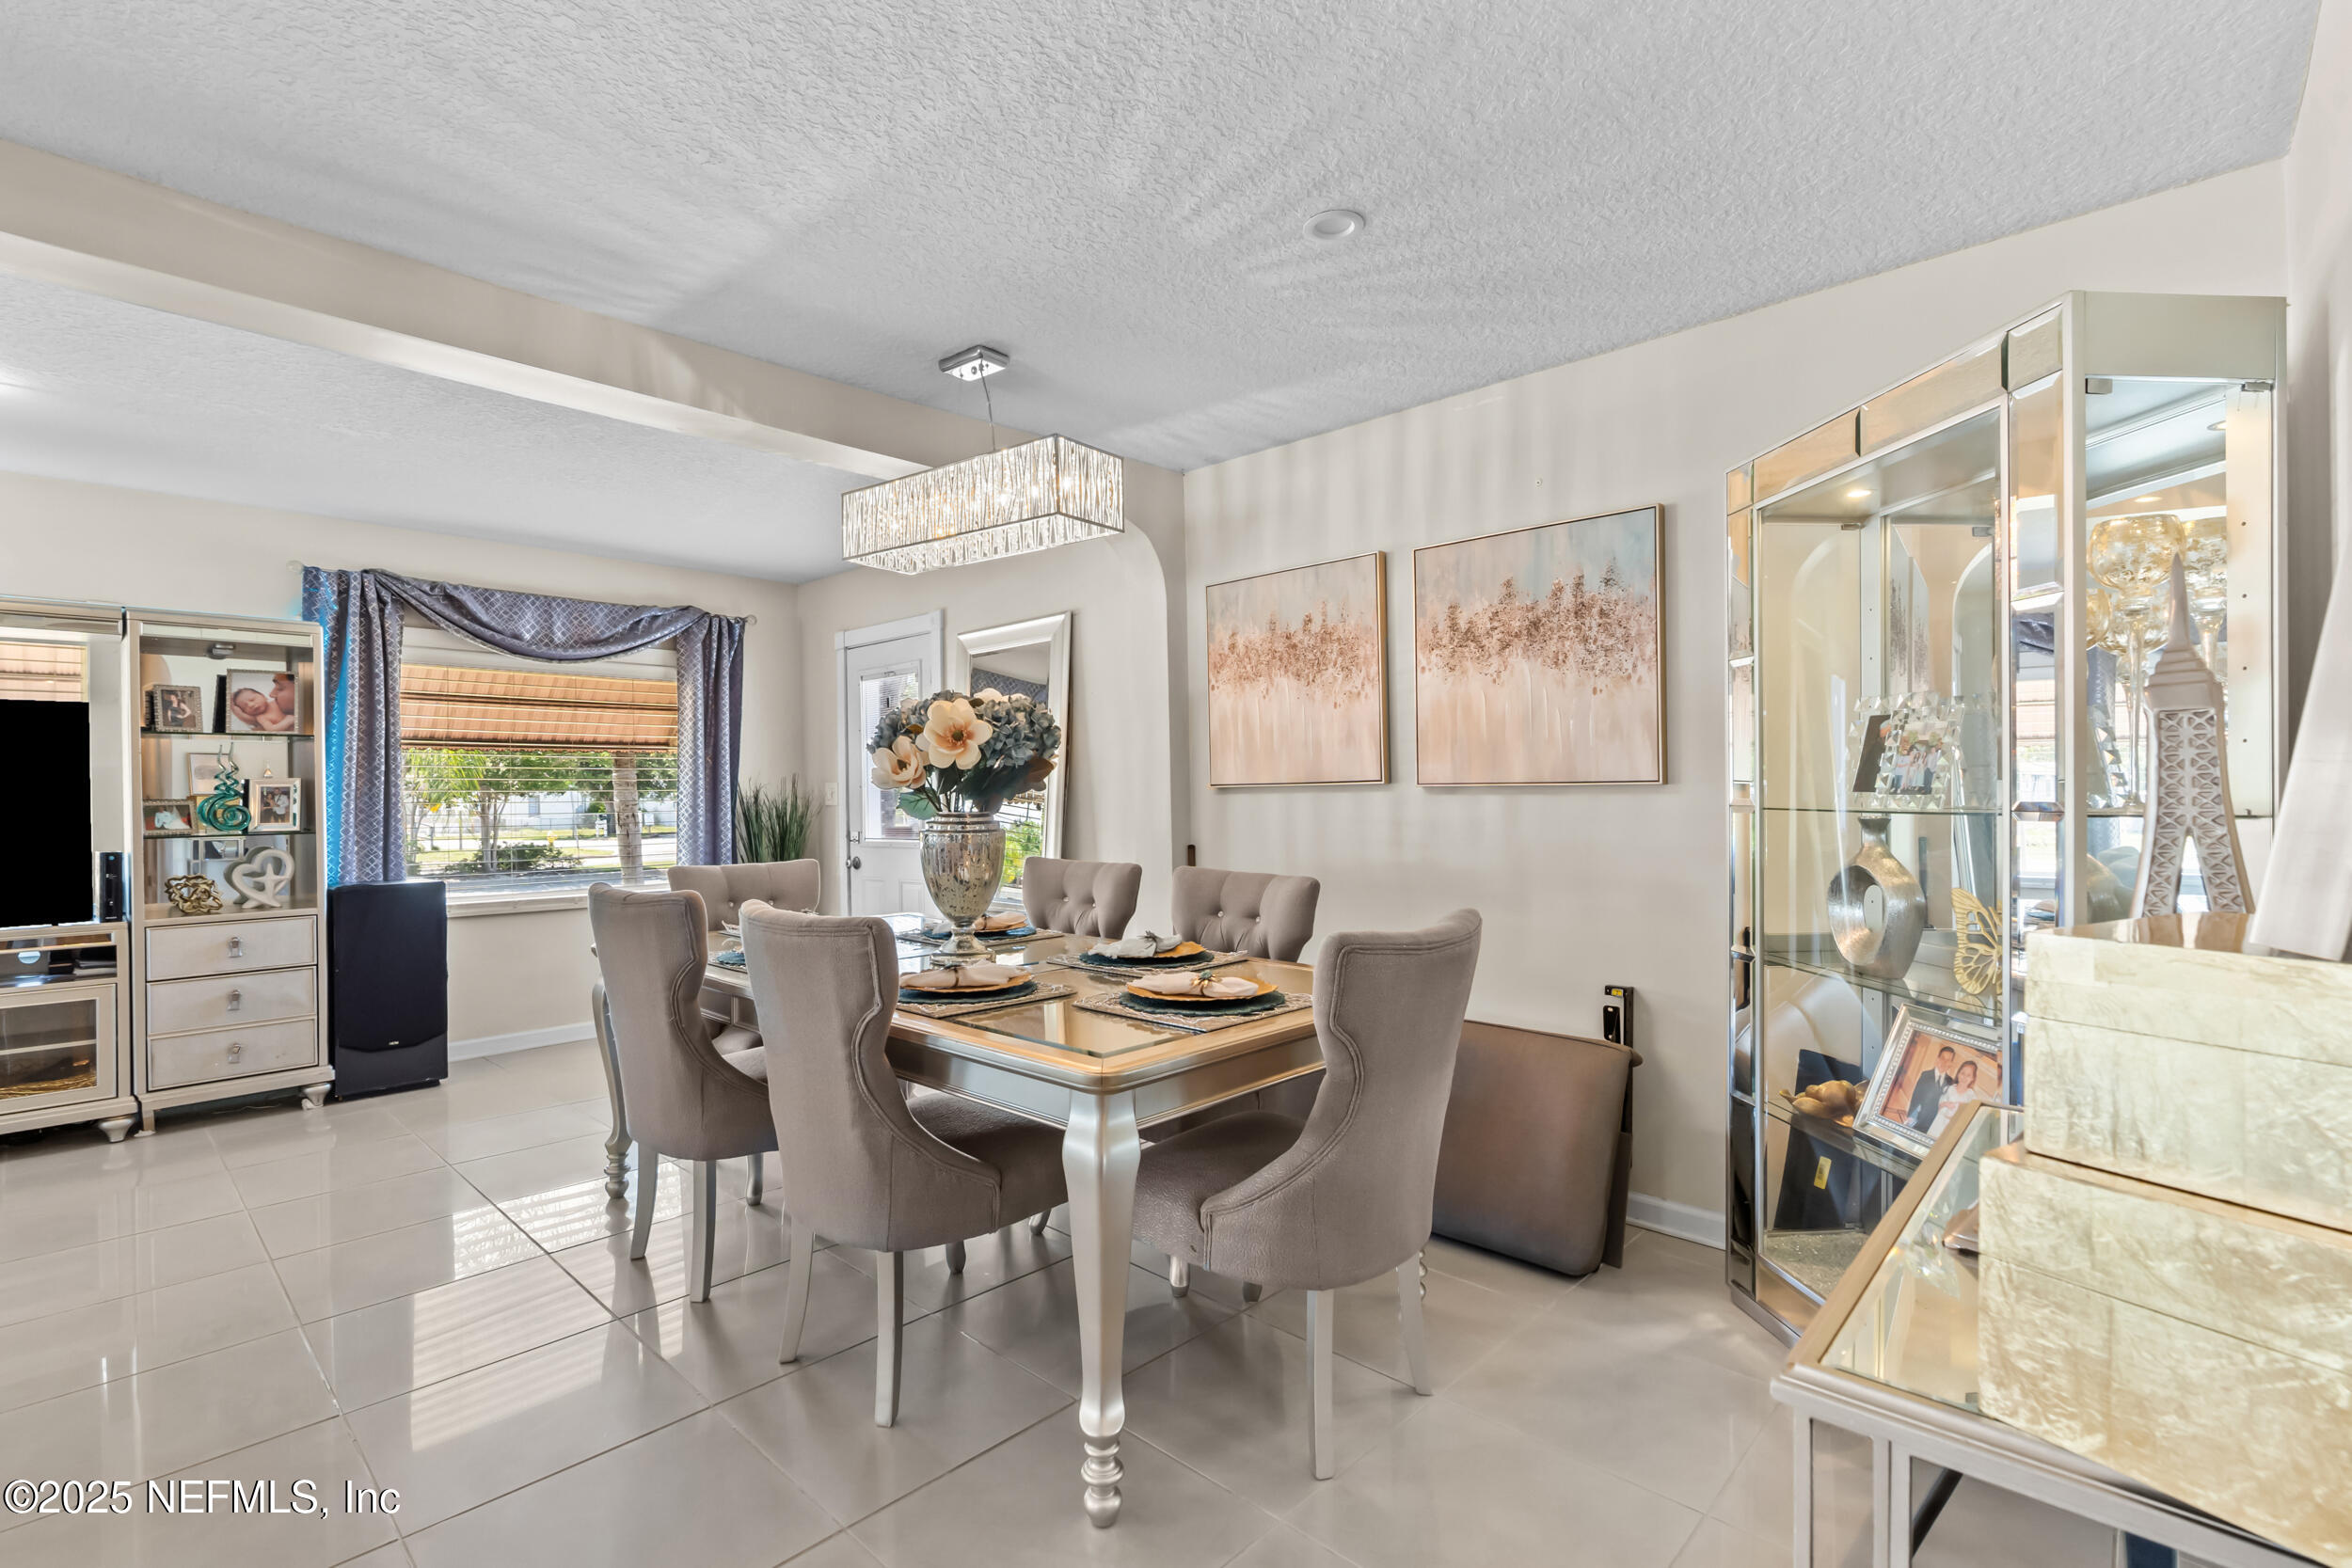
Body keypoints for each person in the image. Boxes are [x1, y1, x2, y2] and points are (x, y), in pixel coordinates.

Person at [1905, 1043, 1956, 1132]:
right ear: (1938, 1059)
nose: (1944, 1062)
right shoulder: (1925, 1075)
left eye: (1948, 1060)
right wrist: (1911, 1116)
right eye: (1942, 1058)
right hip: (1920, 1119)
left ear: (1951, 1064)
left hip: (1935, 1123)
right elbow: (1916, 1097)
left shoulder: (1950, 1082)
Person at [1932, 1057, 1990, 1136]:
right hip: (1940, 1124)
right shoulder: (1949, 1088)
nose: (1964, 1077)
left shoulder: (1971, 1096)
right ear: (1958, 1073)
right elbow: (1939, 1106)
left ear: (1972, 1078)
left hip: (1954, 1129)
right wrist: (1946, 1104)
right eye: (1962, 1073)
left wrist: (1963, 1107)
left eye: (1968, 1075)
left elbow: (1972, 1115)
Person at [228, 682, 297, 733]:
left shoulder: (276, 701)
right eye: (245, 707)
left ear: (263, 696)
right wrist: (287, 721)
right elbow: (271, 729)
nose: (250, 705)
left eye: (252, 699)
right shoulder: (261, 717)